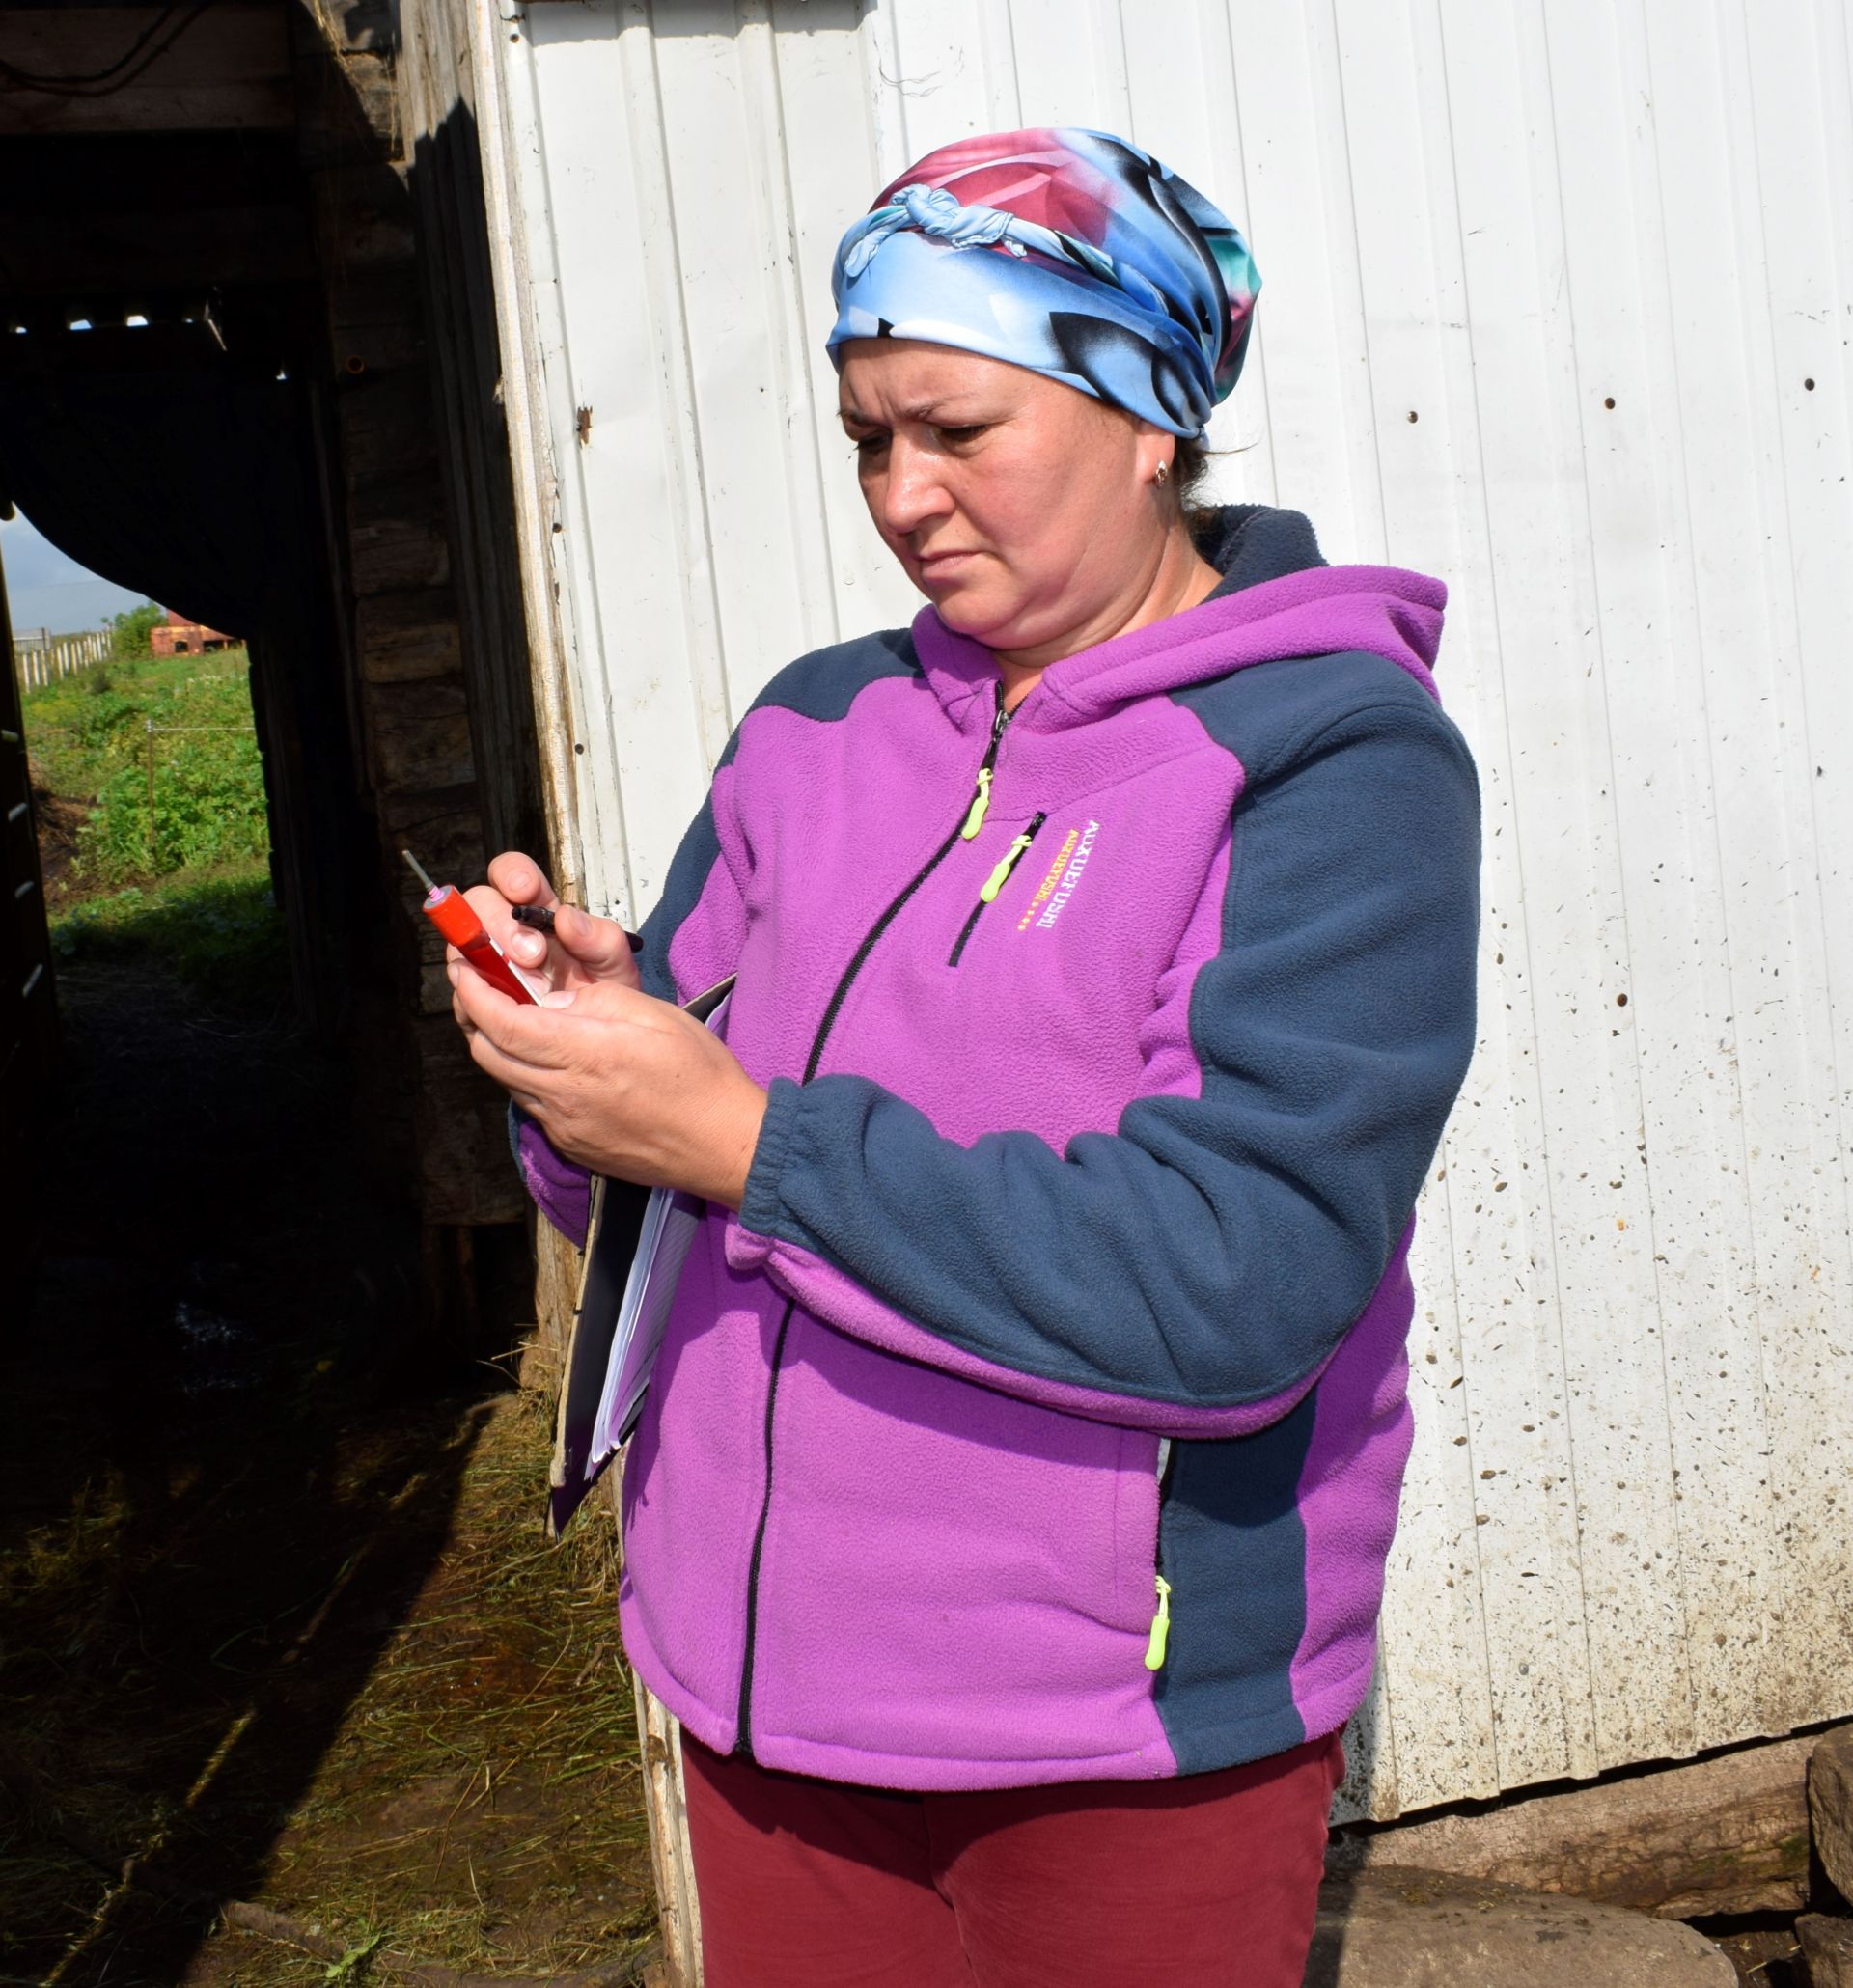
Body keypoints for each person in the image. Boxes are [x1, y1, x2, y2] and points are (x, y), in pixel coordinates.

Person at [449, 127, 1480, 1988]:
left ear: (1150, 414)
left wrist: (751, 1140)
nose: (902, 494)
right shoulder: (819, 726)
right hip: (764, 1692)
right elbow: (649, 1184)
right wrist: (588, 1056)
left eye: (957, 427)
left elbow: (1238, 1280)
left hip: (1111, 1739)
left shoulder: (1330, 759)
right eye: (867, 438)